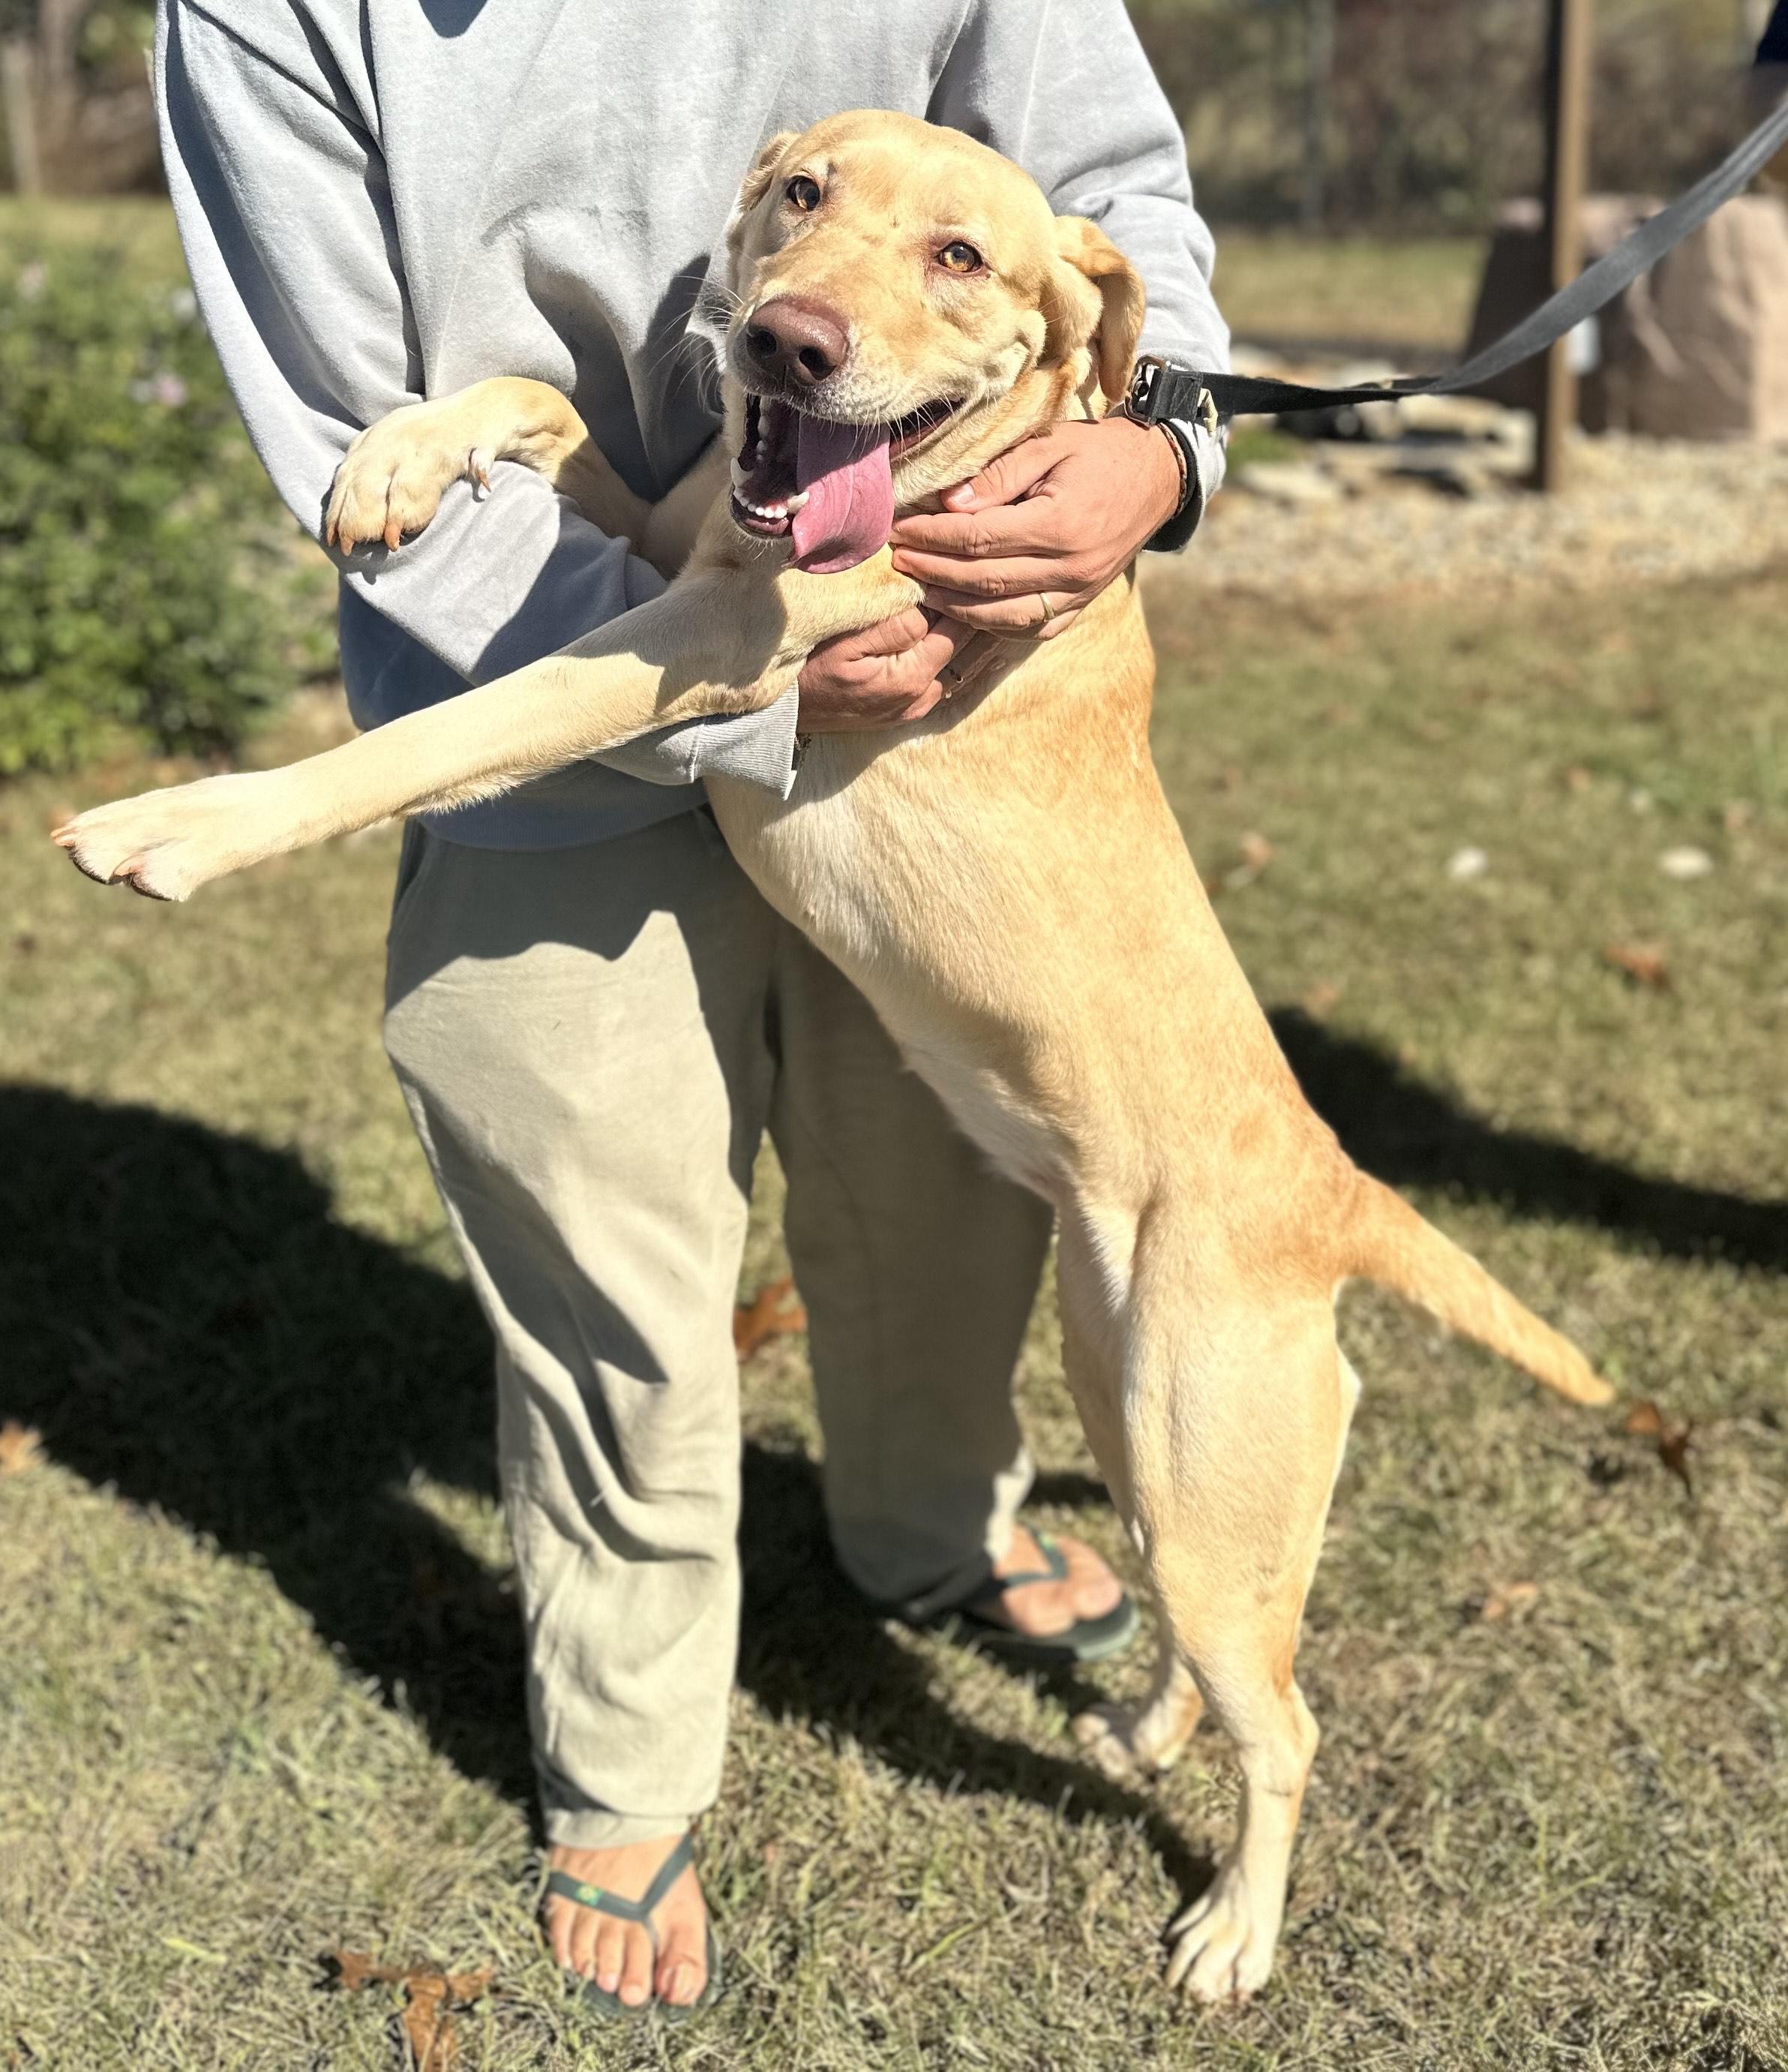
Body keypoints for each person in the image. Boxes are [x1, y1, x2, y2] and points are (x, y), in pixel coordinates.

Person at [154, 0, 1228, 2019]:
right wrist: (726, 661)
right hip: (542, 695)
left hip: (938, 703)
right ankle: (630, 1750)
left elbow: (1104, 199)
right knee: (606, 1264)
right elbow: (356, 427)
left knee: (943, 1206)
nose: (810, 302)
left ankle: (936, 1527)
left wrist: (1159, 445)